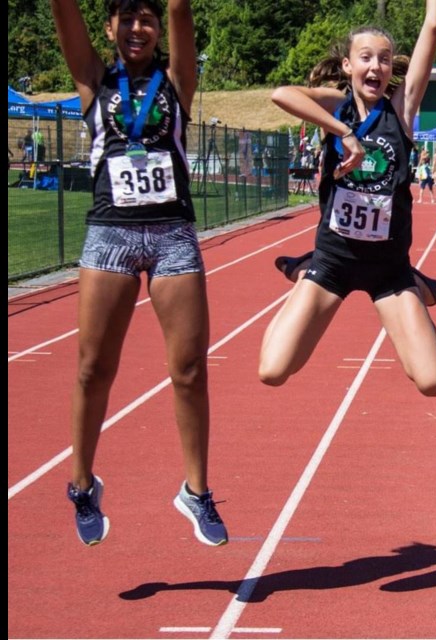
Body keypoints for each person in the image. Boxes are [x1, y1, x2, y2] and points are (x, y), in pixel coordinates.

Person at [52, 0, 228, 546]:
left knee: (190, 369)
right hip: (111, 235)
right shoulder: (93, 81)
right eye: (125, 19)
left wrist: (170, 10)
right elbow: (63, 9)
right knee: (92, 368)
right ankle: (82, 484)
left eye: (146, 20)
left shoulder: (177, 81)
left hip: (172, 233)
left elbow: (180, 7)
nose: (137, 28)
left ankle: (196, 492)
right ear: (109, 28)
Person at [261, 1, 436, 399]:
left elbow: (433, 26)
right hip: (333, 261)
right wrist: (341, 132)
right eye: (365, 58)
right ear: (348, 66)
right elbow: (281, 94)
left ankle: (417, 286)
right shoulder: (336, 105)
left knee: (432, 382)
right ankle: (304, 272)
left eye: (383, 59)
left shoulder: (402, 110)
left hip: (389, 268)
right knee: (273, 371)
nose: (376, 67)